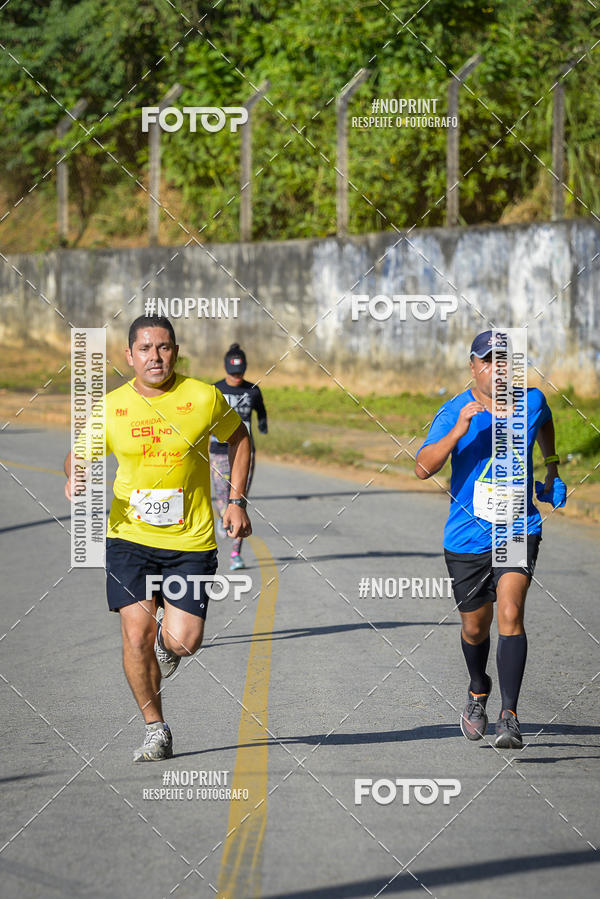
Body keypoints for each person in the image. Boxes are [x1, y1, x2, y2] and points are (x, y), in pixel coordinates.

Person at [64, 315, 252, 762]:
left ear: (176, 352)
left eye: (164, 347)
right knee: (135, 634)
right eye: (145, 348)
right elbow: (78, 457)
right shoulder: (112, 407)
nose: (155, 356)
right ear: (129, 355)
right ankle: (156, 728)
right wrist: (78, 476)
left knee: (183, 641)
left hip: (190, 541)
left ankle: (167, 646)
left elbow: (240, 438)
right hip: (128, 537)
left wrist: (237, 500)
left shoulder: (203, 397)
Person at [414, 331, 567, 749]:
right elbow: (422, 468)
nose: (496, 369)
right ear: (473, 366)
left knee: (511, 612)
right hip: (466, 538)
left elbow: (546, 421)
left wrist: (551, 468)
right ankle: (478, 689)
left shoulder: (531, 401)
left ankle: (510, 715)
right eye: (487, 361)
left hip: (517, 528)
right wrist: (457, 431)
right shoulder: (454, 412)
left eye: (504, 361)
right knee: (475, 627)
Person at [209, 343, 268, 570]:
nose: (236, 377)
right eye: (232, 373)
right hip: (219, 453)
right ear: (225, 369)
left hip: (244, 452)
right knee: (224, 500)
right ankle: (223, 517)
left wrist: (262, 424)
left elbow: (260, 410)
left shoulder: (252, 390)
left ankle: (236, 554)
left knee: (239, 502)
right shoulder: (215, 390)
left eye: (240, 373)